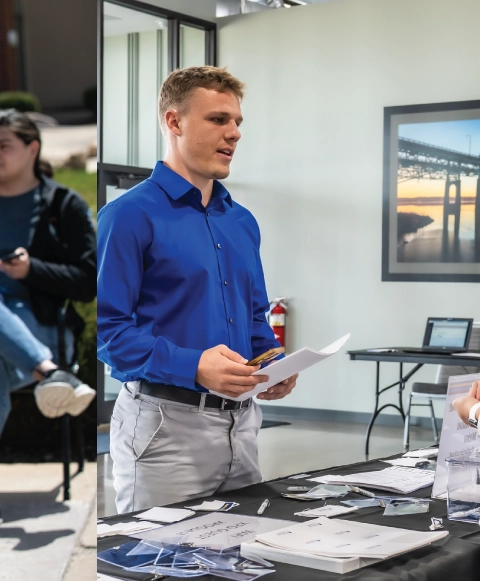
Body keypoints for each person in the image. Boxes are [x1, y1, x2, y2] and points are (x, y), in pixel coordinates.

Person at [97, 66, 298, 513]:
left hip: (242, 424)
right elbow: (106, 332)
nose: (234, 134)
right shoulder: (127, 216)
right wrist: (194, 366)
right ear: (174, 122)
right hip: (165, 428)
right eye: (218, 120)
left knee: (239, 554)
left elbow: (251, 318)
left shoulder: (241, 221)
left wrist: (272, 363)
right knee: (165, 563)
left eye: (237, 122)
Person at [0, 109, 96, 435]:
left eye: (4, 145)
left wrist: (31, 270)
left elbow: (88, 282)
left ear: (32, 149)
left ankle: (46, 365)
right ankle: (51, 374)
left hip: (43, 330)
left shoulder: (61, 205)